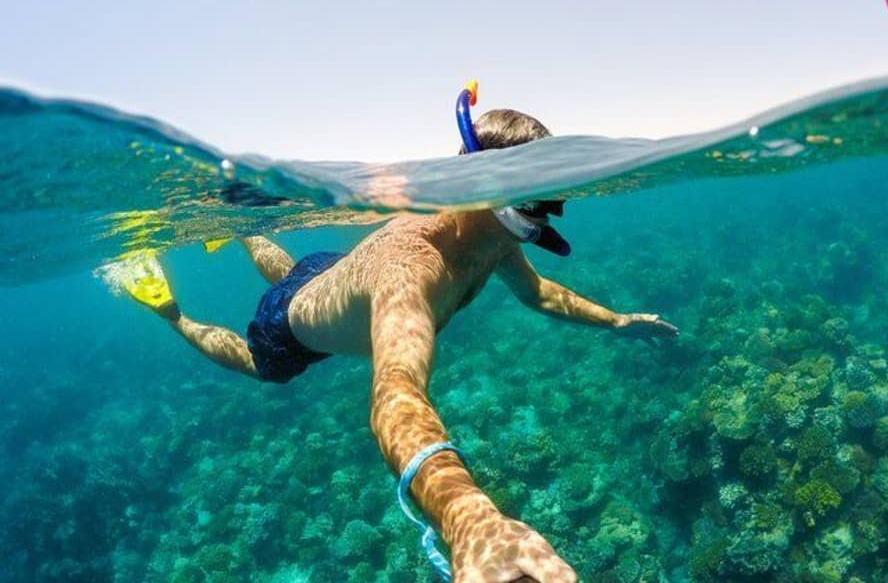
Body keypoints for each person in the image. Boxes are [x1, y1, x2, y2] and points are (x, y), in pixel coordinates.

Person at [126, 83, 679, 582]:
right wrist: (469, 522)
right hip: (289, 329)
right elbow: (395, 394)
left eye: (551, 196)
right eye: (536, 200)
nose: (548, 217)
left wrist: (618, 322)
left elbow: (538, 293)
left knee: (296, 272)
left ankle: (248, 230)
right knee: (259, 362)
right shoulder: (410, 272)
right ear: (483, 186)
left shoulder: (494, 236)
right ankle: (172, 311)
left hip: (330, 273)